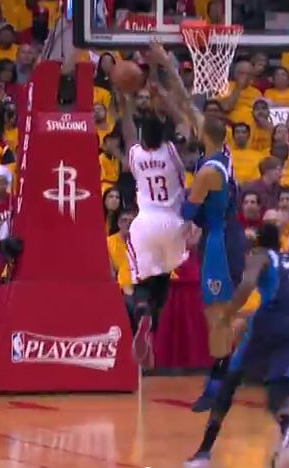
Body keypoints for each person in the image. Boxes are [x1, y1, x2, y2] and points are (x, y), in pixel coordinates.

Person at [185, 222, 289, 468]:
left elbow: (247, 285)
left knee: (230, 382)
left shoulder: (260, 255)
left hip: (269, 322)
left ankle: (203, 453)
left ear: (258, 241)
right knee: (276, 394)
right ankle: (288, 426)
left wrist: (227, 316)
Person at [150, 42, 240, 412]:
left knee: (216, 316)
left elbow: (188, 212)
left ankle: (219, 384)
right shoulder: (221, 151)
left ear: (205, 135)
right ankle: (223, 376)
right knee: (215, 315)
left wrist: (175, 196)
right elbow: (187, 104)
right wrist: (167, 68)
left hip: (220, 241)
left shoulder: (207, 172)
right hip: (221, 235)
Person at [118, 86, 189, 370]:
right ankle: (152, 321)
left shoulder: (136, 154)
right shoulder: (171, 151)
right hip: (174, 222)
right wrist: (166, 97)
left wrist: (124, 101)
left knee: (142, 281)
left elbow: (128, 133)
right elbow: (183, 123)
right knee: (163, 276)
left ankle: (143, 310)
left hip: (145, 222)